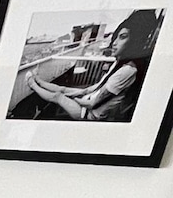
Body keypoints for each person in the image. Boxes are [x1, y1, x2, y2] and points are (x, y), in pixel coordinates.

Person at [9, 10, 163, 123]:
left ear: (135, 40)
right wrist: (84, 91)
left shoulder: (127, 71)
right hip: (89, 99)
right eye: (115, 37)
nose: (114, 42)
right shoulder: (121, 63)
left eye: (122, 37)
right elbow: (98, 88)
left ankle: (32, 84)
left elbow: (93, 104)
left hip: (90, 114)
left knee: (58, 96)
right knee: (63, 89)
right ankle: (38, 81)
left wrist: (74, 96)